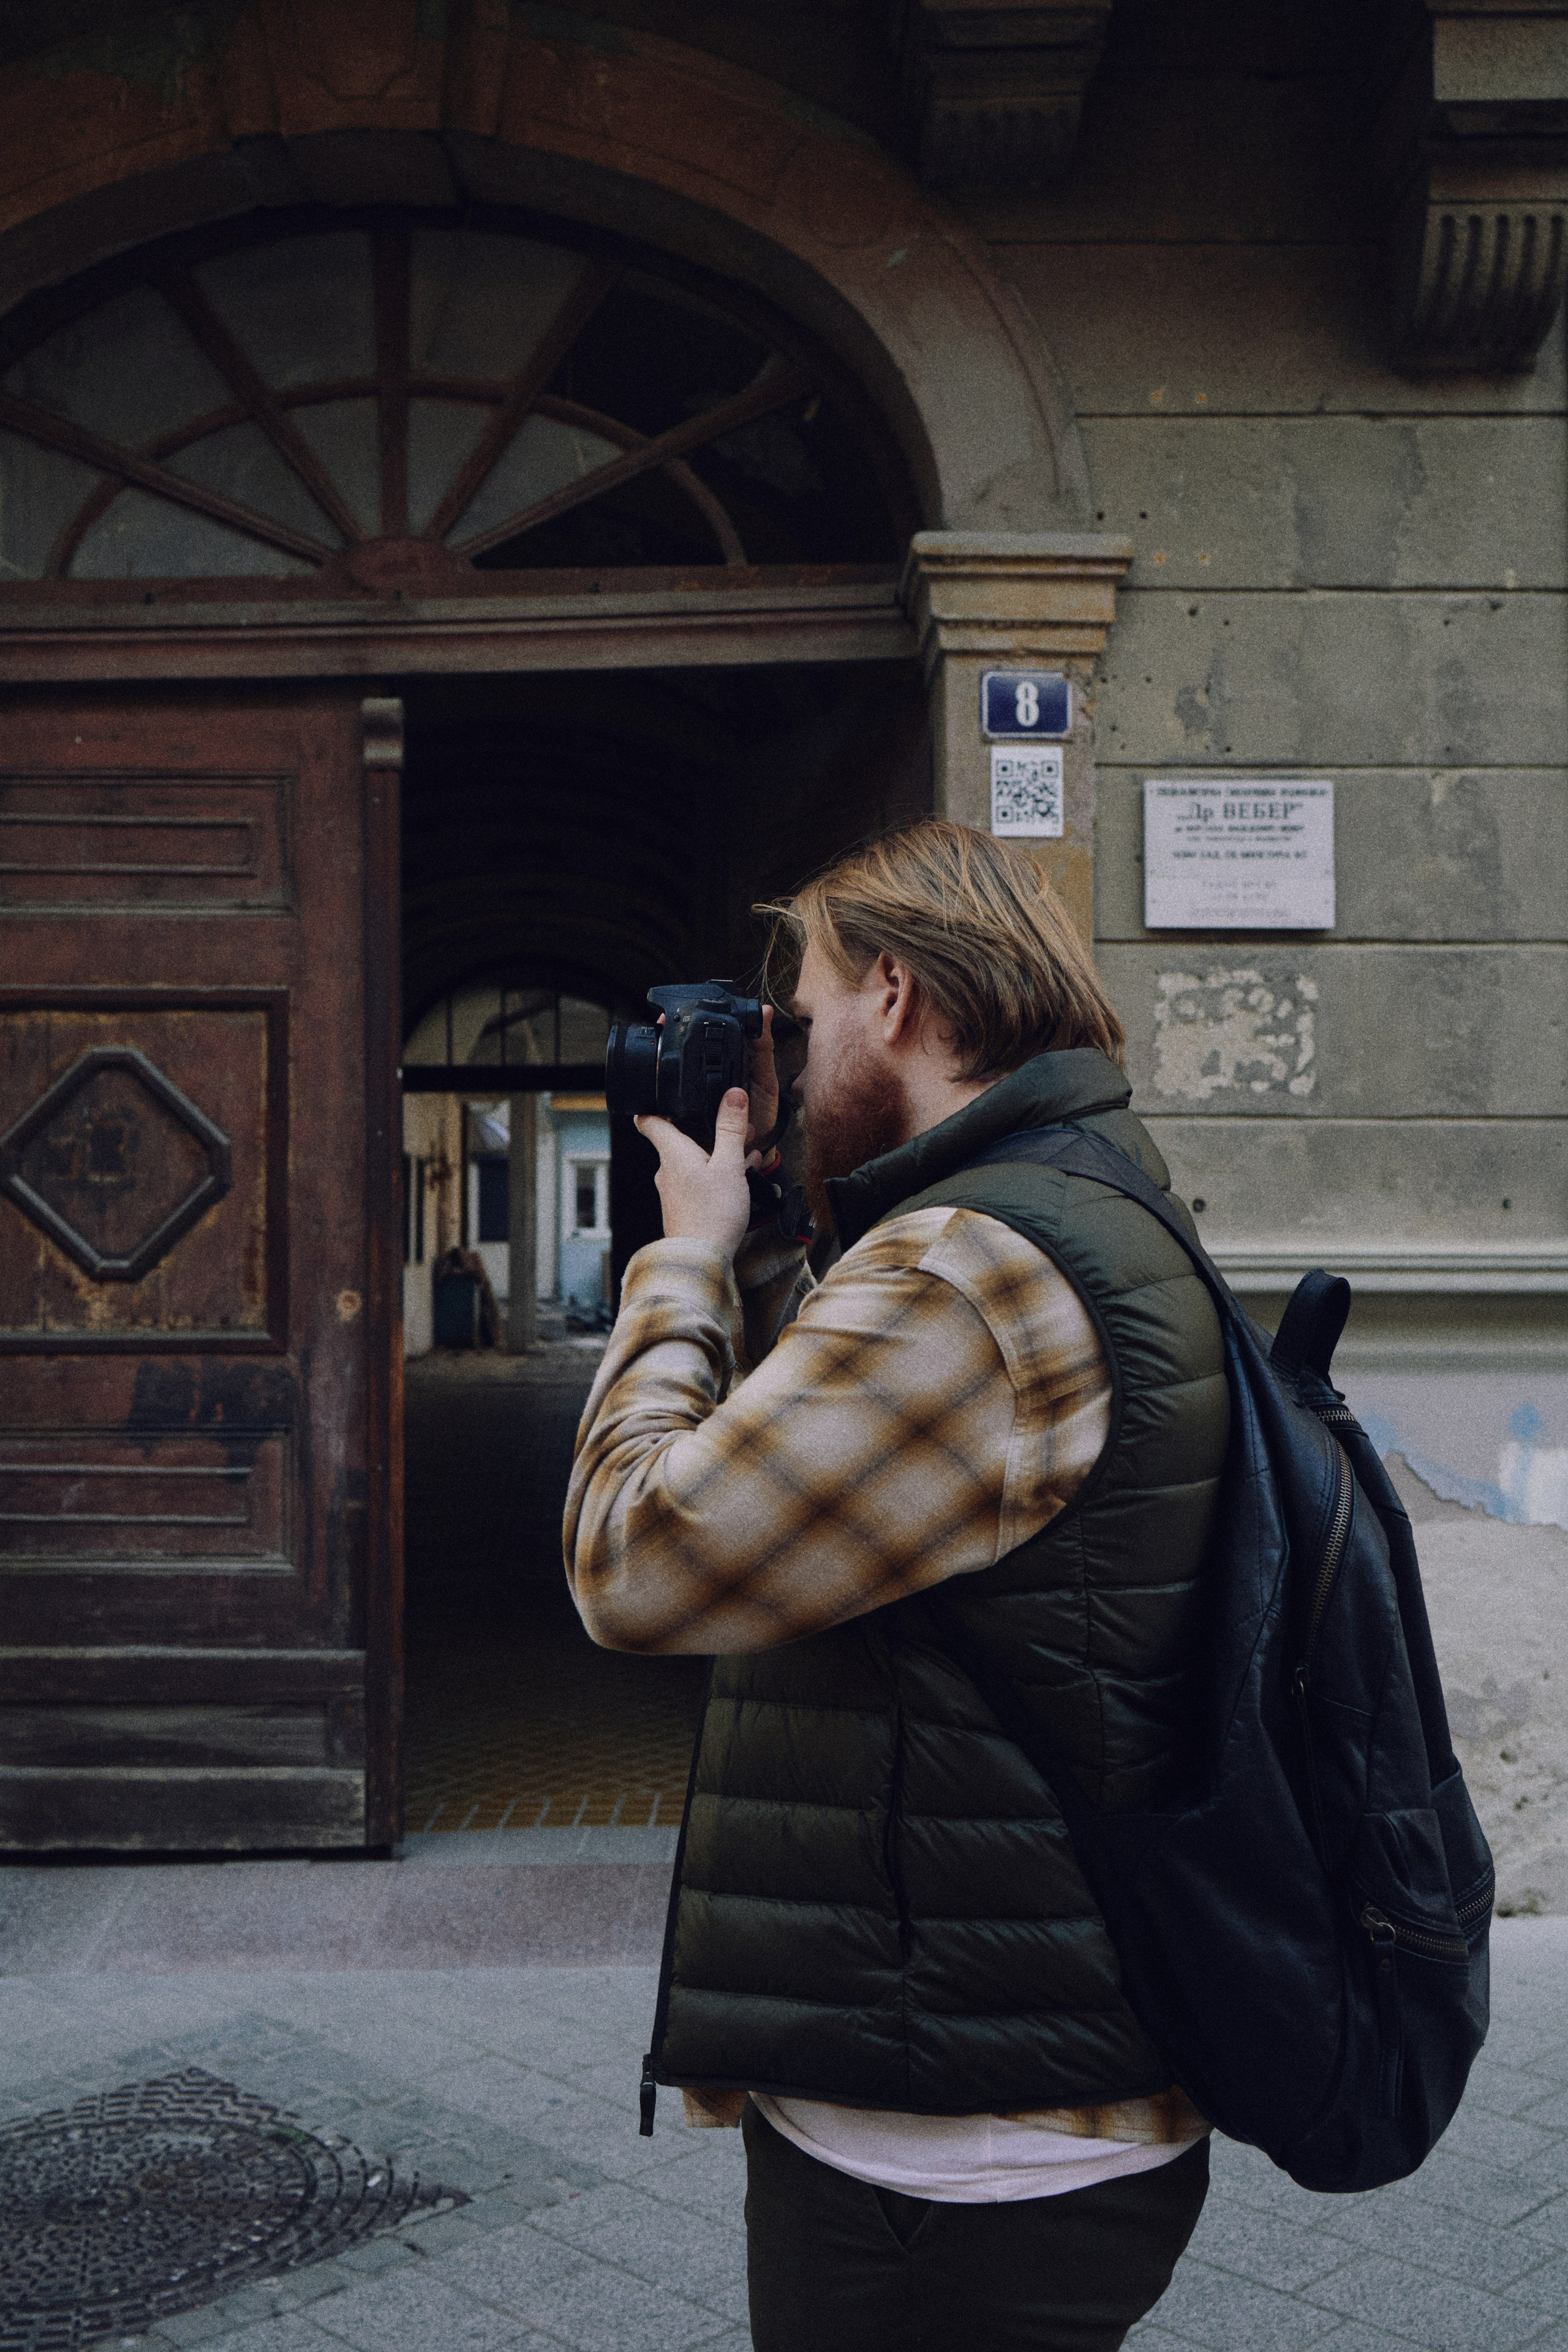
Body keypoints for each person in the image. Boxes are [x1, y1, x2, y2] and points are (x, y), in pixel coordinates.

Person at [563, 820, 1229, 2352]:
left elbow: (632, 1562)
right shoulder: (1078, 1196)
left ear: (896, 998)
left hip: (954, 2142)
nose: (781, 1073)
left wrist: (678, 1265)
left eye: (797, 1023)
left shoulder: (962, 1275)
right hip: (986, 2077)